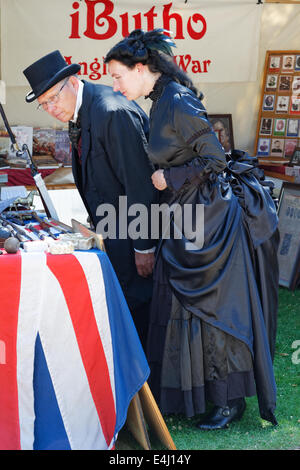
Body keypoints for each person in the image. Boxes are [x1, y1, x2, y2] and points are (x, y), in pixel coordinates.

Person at [105, 29, 280, 430]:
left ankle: (228, 401)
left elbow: (216, 159)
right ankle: (193, 397)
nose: (114, 85)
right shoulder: (159, 101)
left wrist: (171, 175)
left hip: (210, 221)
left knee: (214, 310)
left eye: (117, 76)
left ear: (141, 68)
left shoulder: (178, 101)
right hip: (185, 216)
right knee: (184, 307)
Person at [23, 50, 159, 348]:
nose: (51, 108)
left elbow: (140, 183)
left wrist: (144, 245)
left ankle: (150, 390)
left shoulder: (112, 112)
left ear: (72, 81)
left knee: (141, 313)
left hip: (134, 233)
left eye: (53, 98)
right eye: (44, 104)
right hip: (111, 229)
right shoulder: (82, 111)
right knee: (123, 311)